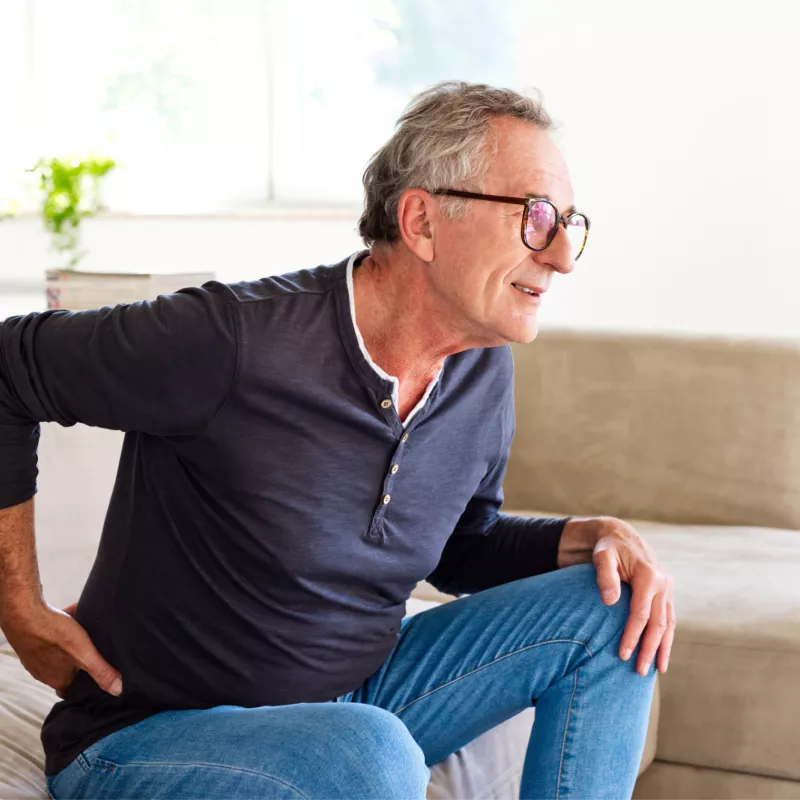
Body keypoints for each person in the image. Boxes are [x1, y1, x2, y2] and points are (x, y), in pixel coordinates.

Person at [0, 81, 674, 799]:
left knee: (613, 608)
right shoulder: (230, 340)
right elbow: (9, 366)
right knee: (368, 753)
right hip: (152, 735)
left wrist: (587, 535)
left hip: (357, 703)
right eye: (537, 217)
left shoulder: (480, 369)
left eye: (570, 221)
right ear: (421, 220)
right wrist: (19, 606)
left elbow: (457, 546)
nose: (564, 255)